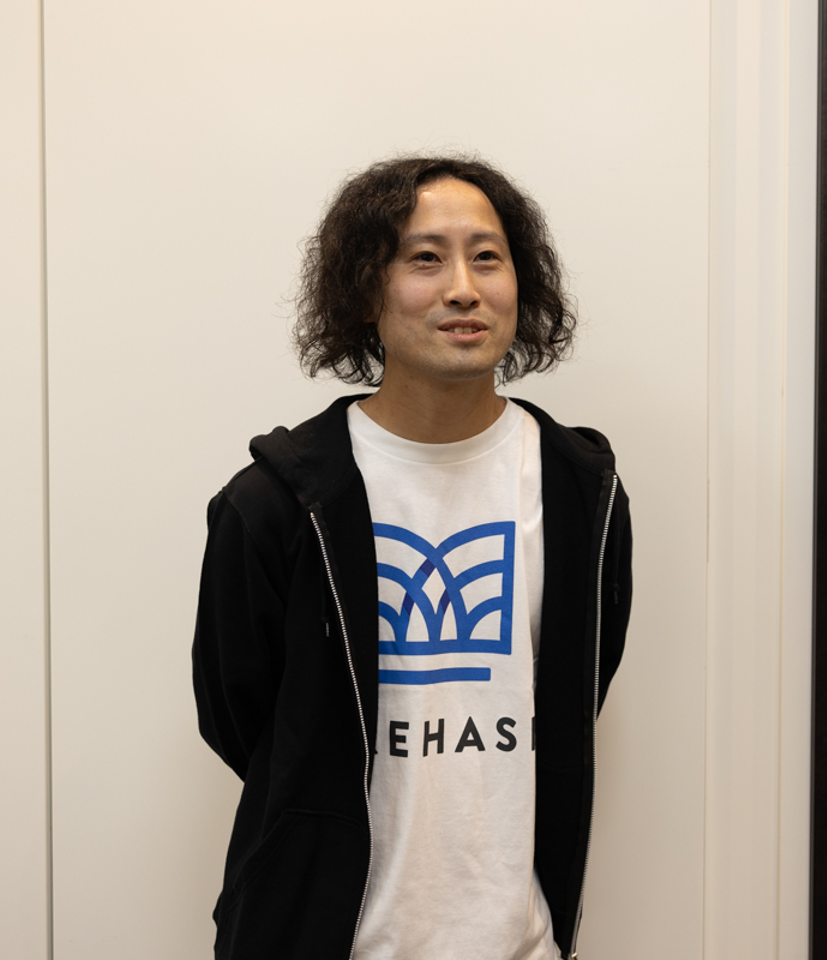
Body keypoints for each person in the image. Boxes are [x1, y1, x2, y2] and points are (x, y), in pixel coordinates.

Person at [192, 155, 632, 960]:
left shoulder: (581, 493)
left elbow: (576, 694)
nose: (463, 288)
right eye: (425, 258)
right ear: (367, 291)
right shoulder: (277, 504)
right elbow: (243, 722)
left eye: (487, 257)